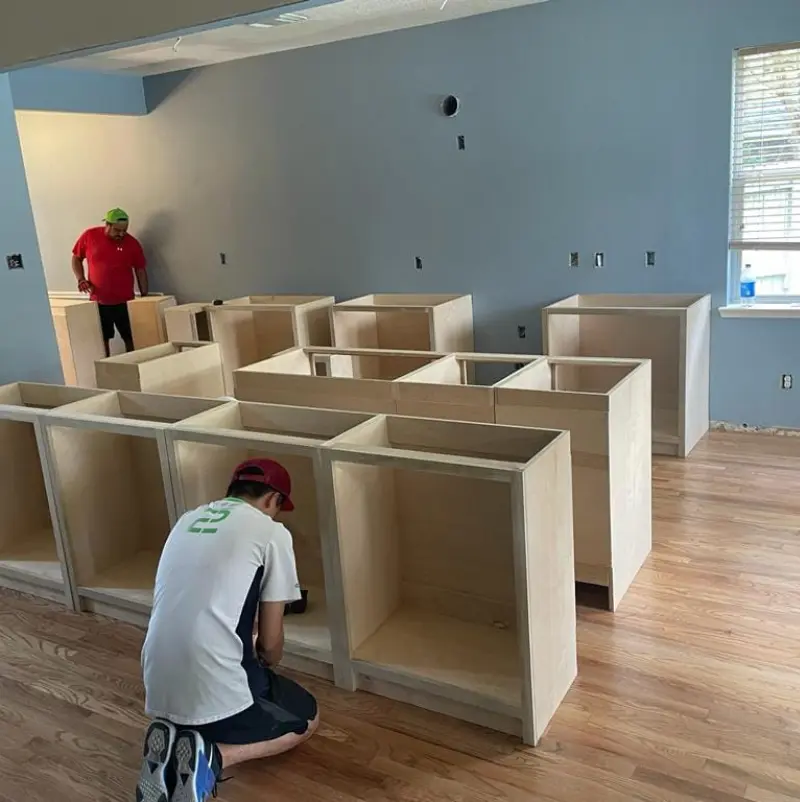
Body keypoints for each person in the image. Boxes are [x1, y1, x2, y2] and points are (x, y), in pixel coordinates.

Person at [136, 459, 318, 802]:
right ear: (272, 500)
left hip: (156, 678)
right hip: (211, 676)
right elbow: (271, 641)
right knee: (305, 721)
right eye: (279, 508)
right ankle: (214, 757)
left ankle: (177, 737)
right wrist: (266, 656)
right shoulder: (272, 532)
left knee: (233, 680)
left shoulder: (186, 520)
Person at [71, 208, 148, 356]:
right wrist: (81, 279)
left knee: (131, 337)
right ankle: (106, 368)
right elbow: (76, 258)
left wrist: (145, 297)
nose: (121, 234)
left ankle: (134, 365)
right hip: (99, 301)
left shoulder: (132, 243)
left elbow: (140, 269)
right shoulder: (89, 236)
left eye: (124, 230)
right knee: (102, 339)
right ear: (107, 224)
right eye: (117, 230)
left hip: (125, 301)